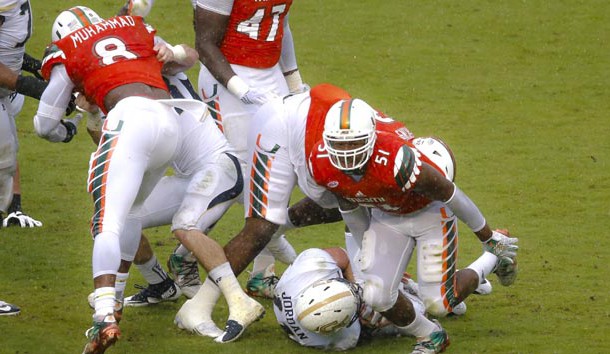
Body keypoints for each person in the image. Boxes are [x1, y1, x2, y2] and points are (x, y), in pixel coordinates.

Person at [35, 6, 260, 352]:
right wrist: (170, 53)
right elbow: (187, 56)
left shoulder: (77, 53)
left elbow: (46, 124)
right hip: (167, 127)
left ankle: (107, 312)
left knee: (124, 218)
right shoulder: (135, 37)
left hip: (208, 160)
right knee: (124, 213)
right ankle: (128, 292)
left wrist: (75, 118)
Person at [183, 83, 450, 353]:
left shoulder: (388, 154)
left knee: (347, 200)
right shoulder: (375, 154)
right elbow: (353, 208)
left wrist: (373, 271)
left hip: (308, 130)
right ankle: (201, 305)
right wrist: (367, 273)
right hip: (283, 128)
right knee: (262, 225)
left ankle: (275, 244)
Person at [192, 0, 307, 299]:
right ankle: (186, 251)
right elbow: (205, 45)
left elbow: (279, 22)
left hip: (270, 75)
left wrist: (293, 80)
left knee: (282, 168)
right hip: (229, 75)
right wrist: (241, 90)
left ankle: (262, 274)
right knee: (241, 175)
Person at [274, 247, 428, 350]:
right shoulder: (345, 337)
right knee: (412, 315)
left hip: (326, 295)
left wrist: (363, 280)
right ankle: (417, 292)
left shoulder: (310, 268)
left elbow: (342, 255)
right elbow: (362, 332)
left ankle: (395, 283)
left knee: (371, 280)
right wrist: (371, 324)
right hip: (351, 321)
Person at [0, 0, 48, 228]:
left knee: (7, 150)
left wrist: (34, 66)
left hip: (5, 87)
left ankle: (13, 208)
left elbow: (9, 45)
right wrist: (29, 85)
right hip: (6, 84)